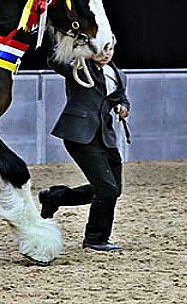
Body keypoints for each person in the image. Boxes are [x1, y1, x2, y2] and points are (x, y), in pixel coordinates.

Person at [40, 37, 130, 252]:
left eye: (110, 48)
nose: (106, 53)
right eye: (101, 48)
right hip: (79, 133)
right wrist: (66, 42)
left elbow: (120, 98)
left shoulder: (117, 74)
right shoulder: (79, 68)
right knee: (107, 189)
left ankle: (54, 196)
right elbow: (55, 60)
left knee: (113, 189)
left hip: (104, 135)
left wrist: (123, 106)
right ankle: (95, 238)